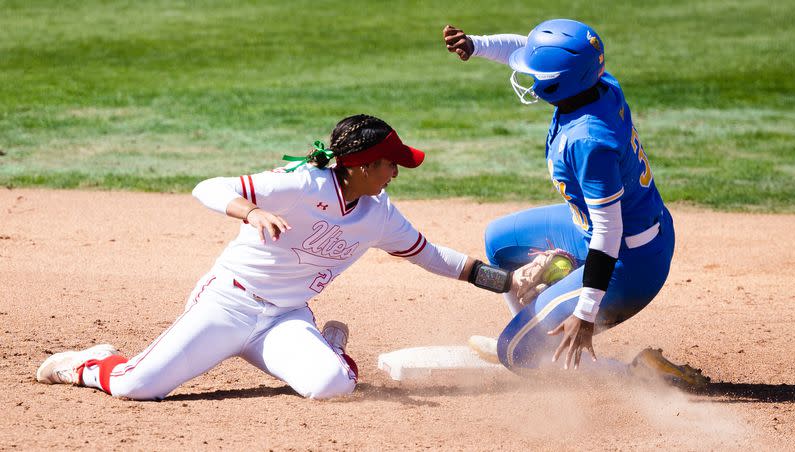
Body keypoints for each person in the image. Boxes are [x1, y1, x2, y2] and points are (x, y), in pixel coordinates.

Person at [35, 114, 528, 400]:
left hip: (284, 318)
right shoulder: (297, 183)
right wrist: (250, 213)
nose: (395, 174)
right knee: (136, 387)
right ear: (360, 166)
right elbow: (208, 186)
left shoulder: (379, 214)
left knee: (331, 386)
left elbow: (433, 256)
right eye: (389, 164)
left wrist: (505, 282)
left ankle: (326, 344)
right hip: (227, 303)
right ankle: (90, 363)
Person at [444, 20, 676, 372]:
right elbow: (531, 50)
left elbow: (608, 233)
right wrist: (476, 44)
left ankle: (639, 372)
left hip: (630, 262)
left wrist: (586, 312)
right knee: (499, 242)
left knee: (516, 355)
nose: (532, 76)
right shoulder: (598, 82)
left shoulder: (588, 142)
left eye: (539, 73)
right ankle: (536, 334)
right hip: (607, 231)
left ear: (558, 81)